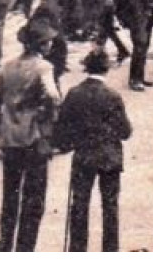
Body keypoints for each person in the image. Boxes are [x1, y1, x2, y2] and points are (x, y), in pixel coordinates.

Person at [0, 20, 62, 252]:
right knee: (34, 198)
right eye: (47, 41)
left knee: (10, 195)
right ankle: (25, 248)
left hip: (9, 140)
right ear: (41, 44)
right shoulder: (43, 67)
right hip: (34, 139)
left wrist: (0, 126)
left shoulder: (8, 67)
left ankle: (5, 242)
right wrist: (45, 117)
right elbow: (53, 97)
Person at [53, 48, 133, 252]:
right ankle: (110, 250)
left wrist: (69, 144)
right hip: (109, 157)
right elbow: (125, 131)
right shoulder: (113, 96)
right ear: (106, 69)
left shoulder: (74, 94)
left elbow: (61, 130)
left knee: (79, 205)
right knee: (110, 206)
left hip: (84, 156)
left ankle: (77, 250)